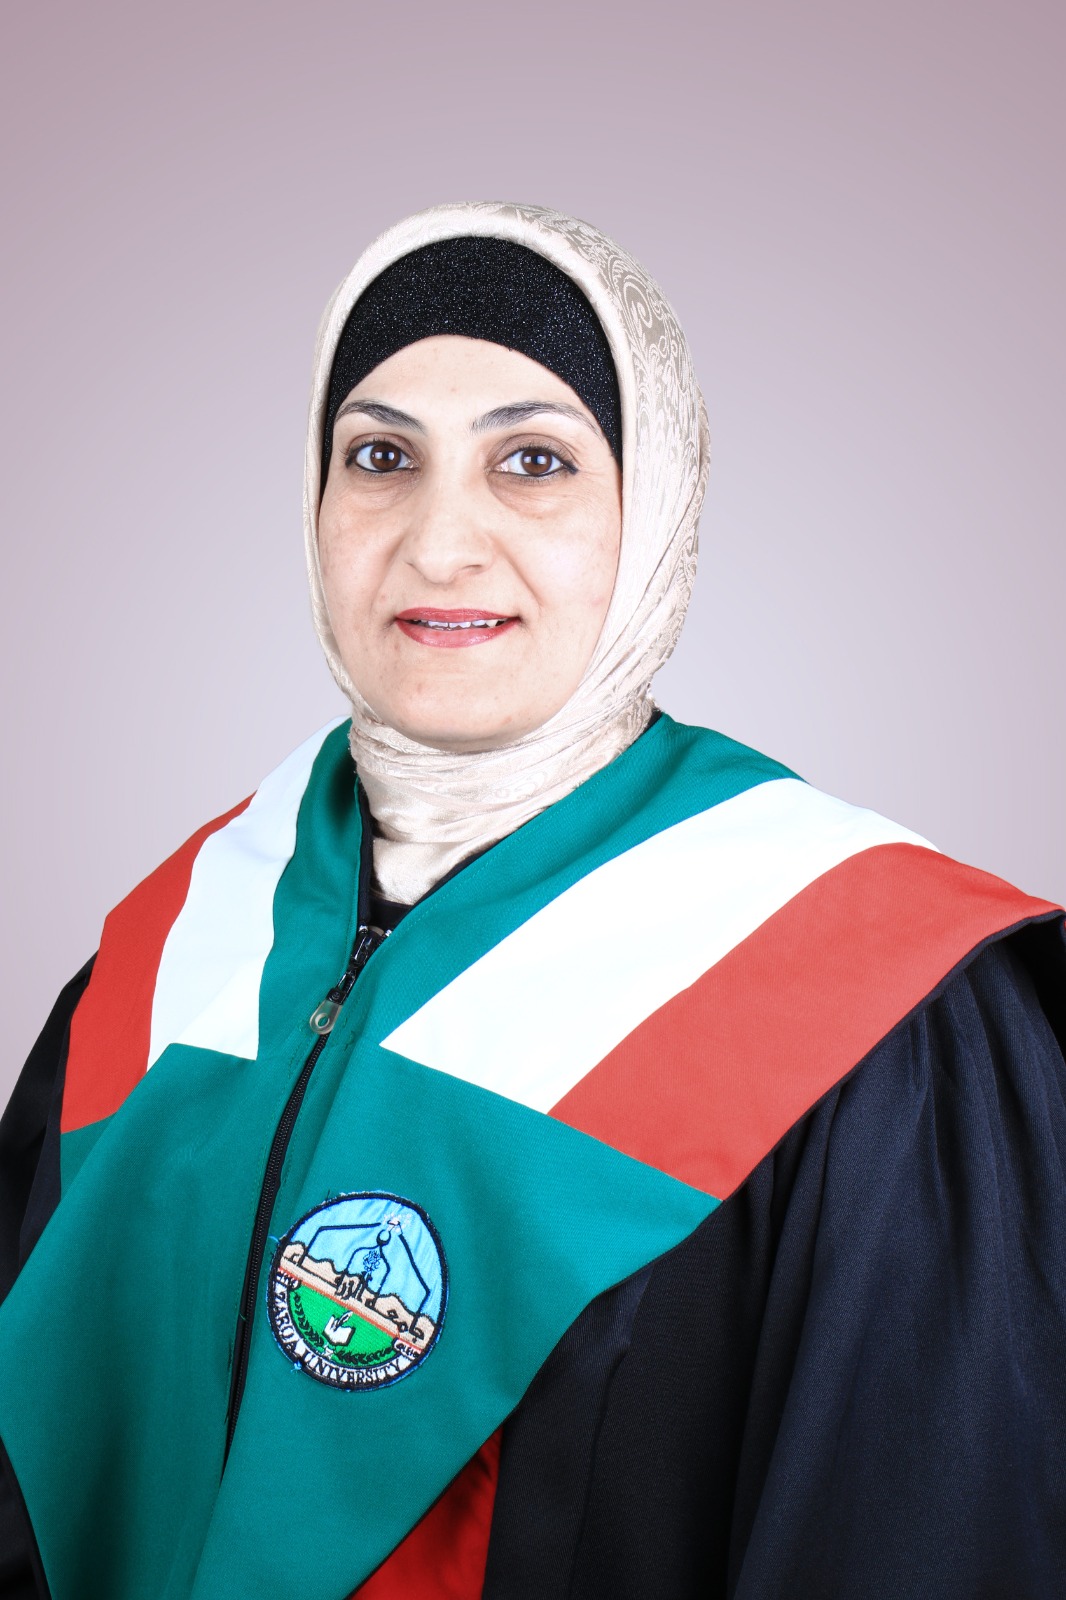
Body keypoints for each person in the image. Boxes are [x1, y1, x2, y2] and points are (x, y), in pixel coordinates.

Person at [0, 201, 1063, 1600]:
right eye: (380, 457)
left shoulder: (871, 1003)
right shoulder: (172, 950)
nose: (440, 545)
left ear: (655, 512)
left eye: (534, 462)